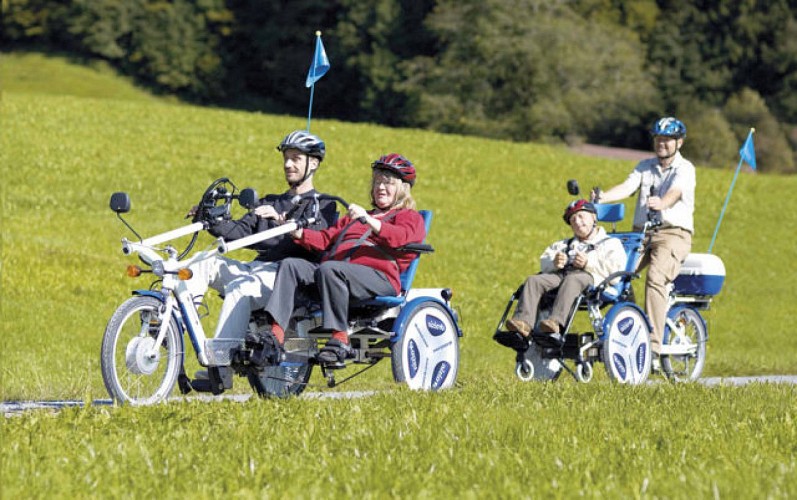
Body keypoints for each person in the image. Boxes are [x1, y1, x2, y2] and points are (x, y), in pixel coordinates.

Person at [186, 130, 337, 371]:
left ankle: (220, 364)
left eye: (296, 158)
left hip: (289, 279)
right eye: (286, 158)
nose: (288, 164)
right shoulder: (270, 201)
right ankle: (175, 327)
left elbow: (317, 239)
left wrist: (281, 221)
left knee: (241, 288)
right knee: (202, 261)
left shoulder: (325, 205)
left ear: (314, 163)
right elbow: (241, 232)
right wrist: (212, 221)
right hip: (256, 270)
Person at [261, 153, 426, 364]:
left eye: (388, 183)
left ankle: (340, 339)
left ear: (402, 189)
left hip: (379, 278)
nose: (380, 187)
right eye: (377, 182)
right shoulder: (354, 218)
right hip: (334, 273)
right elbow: (324, 240)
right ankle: (275, 336)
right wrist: (296, 231)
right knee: (291, 266)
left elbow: (400, 238)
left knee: (331, 269)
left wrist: (369, 220)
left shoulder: (408, 217)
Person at [591, 116, 695, 369]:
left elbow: (676, 192)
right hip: (641, 233)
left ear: (678, 142)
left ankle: (654, 345)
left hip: (673, 234)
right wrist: (602, 197)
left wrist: (662, 203)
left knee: (655, 279)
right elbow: (627, 188)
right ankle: (634, 327)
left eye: (667, 140)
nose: (661, 143)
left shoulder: (685, 168)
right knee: (616, 277)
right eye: (658, 139)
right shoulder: (644, 166)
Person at [505, 199, 627, 338]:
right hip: (562, 276)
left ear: (593, 217)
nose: (577, 221)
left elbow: (616, 273)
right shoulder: (564, 244)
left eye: (581, 216)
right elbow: (544, 262)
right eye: (573, 220)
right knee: (534, 280)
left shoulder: (611, 244)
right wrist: (554, 262)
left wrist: (588, 263)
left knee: (573, 279)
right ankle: (522, 323)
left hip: (592, 279)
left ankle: (555, 322)